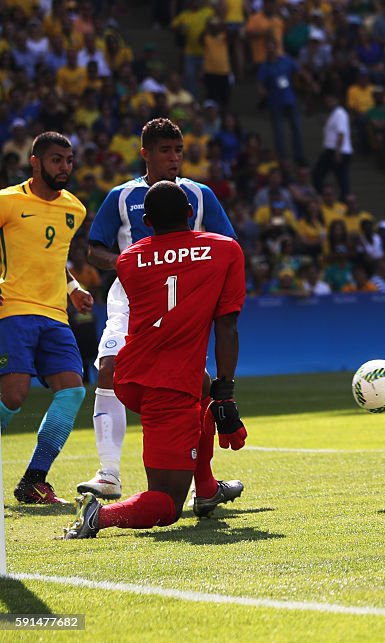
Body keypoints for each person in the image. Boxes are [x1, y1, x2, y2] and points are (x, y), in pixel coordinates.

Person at [64, 181, 247, 539]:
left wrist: (217, 393)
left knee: (203, 386)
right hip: (167, 386)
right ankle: (97, 515)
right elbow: (226, 325)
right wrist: (228, 393)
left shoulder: (130, 260)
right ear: (192, 214)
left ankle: (207, 487)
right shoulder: (226, 250)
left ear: (146, 220)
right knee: (165, 505)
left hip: (133, 372)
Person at [79, 118, 239, 506]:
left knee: (194, 386)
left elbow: (226, 241)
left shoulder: (199, 194)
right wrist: (131, 264)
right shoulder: (121, 195)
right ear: (145, 154)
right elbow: (94, 247)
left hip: (180, 301)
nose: (174, 158)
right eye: (165, 151)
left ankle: (204, 485)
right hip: (132, 295)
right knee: (109, 368)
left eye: (178, 151)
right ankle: (109, 473)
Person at [0, 132, 91, 504]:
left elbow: (54, 258)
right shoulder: (7, 201)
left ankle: (34, 481)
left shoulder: (75, 209)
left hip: (55, 314)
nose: (64, 167)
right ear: (35, 161)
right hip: (15, 308)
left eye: (69, 160)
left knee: (72, 390)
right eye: (57, 160)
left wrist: (73, 288)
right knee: (14, 396)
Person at [313, 94, 352, 197]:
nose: (328, 102)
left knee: (319, 174)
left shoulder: (340, 113)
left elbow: (341, 133)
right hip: (334, 150)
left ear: (337, 100)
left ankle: (342, 199)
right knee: (340, 178)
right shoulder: (333, 114)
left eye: (331, 99)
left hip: (337, 150)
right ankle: (335, 197)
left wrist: (338, 151)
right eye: (327, 100)